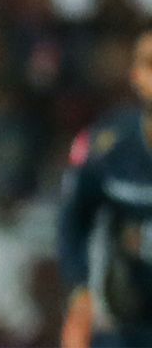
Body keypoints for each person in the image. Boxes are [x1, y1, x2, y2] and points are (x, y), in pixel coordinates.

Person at [59, 29, 152, 348]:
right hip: (126, 316)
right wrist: (80, 288)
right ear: (135, 76)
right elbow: (74, 219)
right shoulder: (107, 143)